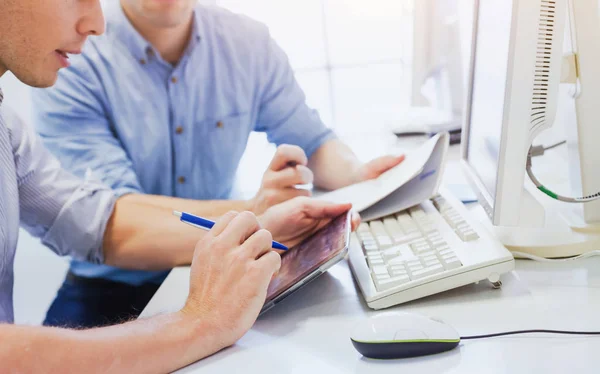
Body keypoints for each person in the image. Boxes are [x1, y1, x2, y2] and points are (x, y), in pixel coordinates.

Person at [0, 0, 356, 371]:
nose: (96, 23)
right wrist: (200, 323)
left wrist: (259, 219)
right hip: (108, 286)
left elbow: (91, 218)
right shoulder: (77, 65)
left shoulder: (6, 125)